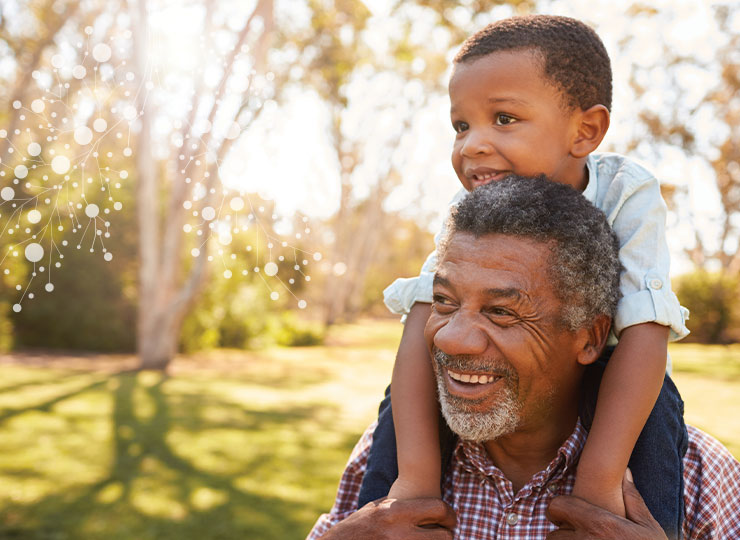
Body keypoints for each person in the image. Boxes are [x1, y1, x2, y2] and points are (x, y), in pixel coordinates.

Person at [362, 14, 690, 539]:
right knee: (395, 409)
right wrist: (415, 480)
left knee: (659, 410)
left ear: (585, 130)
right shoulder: (468, 209)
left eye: (505, 119)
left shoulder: (625, 191)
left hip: (613, 370)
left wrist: (599, 485)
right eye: (461, 125)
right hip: (503, 390)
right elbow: (421, 323)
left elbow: (646, 329)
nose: (471, 145)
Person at [307, 177, 740, 540]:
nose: (454, 340)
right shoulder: (388, 456)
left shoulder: (699, 477)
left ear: (590, 338)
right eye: (443, 301)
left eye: (501, 311)